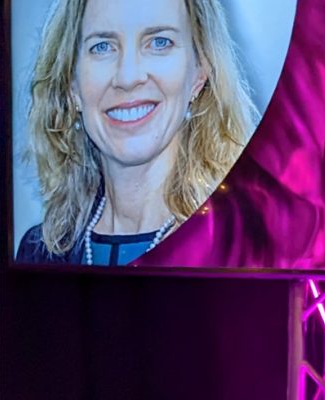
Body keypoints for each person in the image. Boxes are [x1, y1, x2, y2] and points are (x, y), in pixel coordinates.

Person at [16, 0, 256, 265]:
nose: (128, 77)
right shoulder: (40, 253)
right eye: (102, 46)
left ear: (199, 74)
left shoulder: (244, 245)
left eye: (159, 42)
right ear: (72, 85)